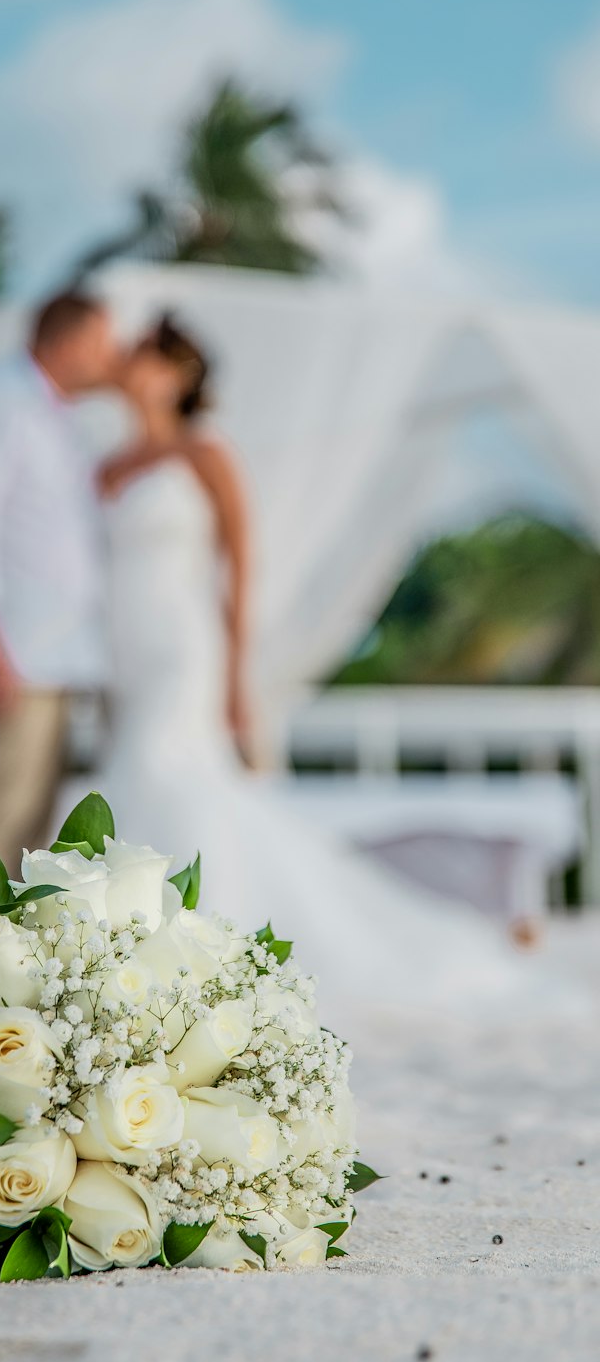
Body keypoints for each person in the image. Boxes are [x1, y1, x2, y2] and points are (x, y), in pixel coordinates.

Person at [96, 315, 558, 1022]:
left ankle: (198, 941)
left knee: (169, 771)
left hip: (183, 647)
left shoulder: (204, 453)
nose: (130, 365)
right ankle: (143, 947)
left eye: (146, 355)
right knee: (140, 775)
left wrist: (235, 675)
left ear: (178, 374)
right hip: (121, 650)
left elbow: (240, 564)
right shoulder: (107, 465)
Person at [0, 288, 118, 923]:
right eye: (99, 343)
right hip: (16, 655)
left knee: (32, 828)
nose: (107, 358)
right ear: (64, 340)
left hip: (56, 654)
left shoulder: (56, 418)